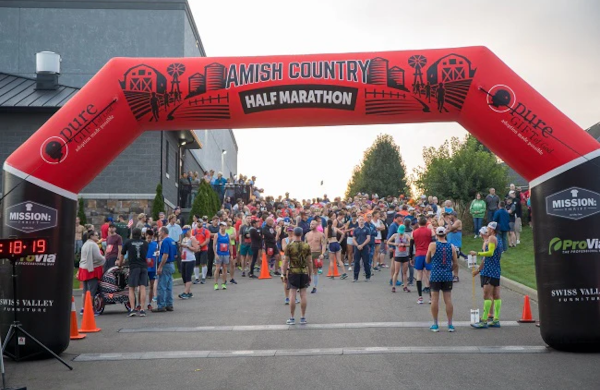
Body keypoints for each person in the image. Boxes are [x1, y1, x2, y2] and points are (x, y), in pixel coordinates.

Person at [470, 222, 503, 328]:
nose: (487, 230)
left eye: (488, 228)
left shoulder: (492, 238)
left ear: (492, 230)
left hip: (490, 270)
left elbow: (490, 253)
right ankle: (496, 319)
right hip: (495, 269)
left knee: (486, 295)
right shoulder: (496, 238)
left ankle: (484, 320)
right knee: (496, 295)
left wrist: (477, 253)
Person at [426, 227, 457, 332]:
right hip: (447, 275)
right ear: (445, 234)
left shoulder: (432, 245)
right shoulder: (451, 246)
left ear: (436, 235)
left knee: (435, 299)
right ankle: (450, 324)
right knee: (448, 299)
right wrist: (449, 269)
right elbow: (456, 263)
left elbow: (428, 260)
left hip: (435, 274)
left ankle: (435, 324)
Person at [282, 227, 313, 325]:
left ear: (294, 234)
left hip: (293, 271)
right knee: (303, 294)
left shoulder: (289, 246)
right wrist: (310, 274)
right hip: (303, 271)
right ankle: (303, 317)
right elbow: (309, 261)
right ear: (302, 234)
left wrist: (283, 274)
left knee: (292, 294)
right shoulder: (306, 246)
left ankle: (292, 318)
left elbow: (285, 261)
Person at [118, 228, 149, 317]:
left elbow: (122, 254)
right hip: (143, 266)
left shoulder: (128, 242)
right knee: (142, 287)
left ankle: (132, 309)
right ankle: (142, 309)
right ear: (140, 234)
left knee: (131, 288)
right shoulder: (145, 243)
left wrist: (120, 264)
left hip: (133, 266)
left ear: (132, 233)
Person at [77, 230, 105, 314]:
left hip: (83, 268)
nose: (98, 237)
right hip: (91, 269)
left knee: (85, 291)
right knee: (92, 291)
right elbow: (98, 257)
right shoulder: (93, 245)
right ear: (91, 236)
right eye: (96, 235)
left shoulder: (85, 244)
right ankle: (90, 309)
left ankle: (83, 308)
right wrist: (104, 259)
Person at [152, 226, 177, 313]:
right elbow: (175, 255)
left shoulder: (165, 241)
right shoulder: (172, 241)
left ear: (163, 232)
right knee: (169, 286)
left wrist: (160, 266)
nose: (159, 234)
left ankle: (161, 305)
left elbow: (165, 255)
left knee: (161, 286)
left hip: (165, 265)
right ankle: (169, 304)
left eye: (159, 232)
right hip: (171, 264)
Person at [412, 216, 433, 304]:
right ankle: (430, 298)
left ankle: (420, 297)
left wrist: (410, 257)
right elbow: (433, 242)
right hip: (428, 254)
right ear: (426, 223)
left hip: (419, 254)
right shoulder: (429, 231)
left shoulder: (414, 232)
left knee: (419, 275)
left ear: (418, 223)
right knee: (428, 275)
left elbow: (411, 245)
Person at [387, 224, 411, 292]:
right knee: (396, 271)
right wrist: (395, 244)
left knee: (405, 272)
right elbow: (388, 241)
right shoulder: (395, 235)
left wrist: (405, 245)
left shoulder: (406, 235)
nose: (400, 233)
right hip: (397, 255)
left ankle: (405, 286)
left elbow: (411, 243)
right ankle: (393, 286)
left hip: (405, 255)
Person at [305, 220, 326, 293]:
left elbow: (323, 244)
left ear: (316, 225)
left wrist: (322, 254)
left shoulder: (321, 234)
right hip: (308, 253)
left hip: (316, 253)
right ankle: (306, 283)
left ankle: (315, 286)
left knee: (315, 271)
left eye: (313, 224)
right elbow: (305, 245)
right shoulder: (307, 234)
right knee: (306, 270)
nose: (311, 225)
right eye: (310, 224)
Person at [178, 226, 199, 299]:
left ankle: (185, 292)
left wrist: (187, 246)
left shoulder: (192, 238)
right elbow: (181, 250)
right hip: (184, 259)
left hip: (190, 259)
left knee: (188, 276)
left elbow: (196, 249)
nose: (185, 233)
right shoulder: (184, 239)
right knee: (183, 276)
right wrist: (180, 246)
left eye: (185, 231)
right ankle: (189, 292)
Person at [352, 216, 371, 282]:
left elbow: (368, 238)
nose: (361, 221)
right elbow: (353, 239)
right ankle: (355, 277)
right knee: (356, 262)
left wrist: (362, 245)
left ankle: (368, 276)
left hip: (365, 247)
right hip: (357, 248)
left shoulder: (367, 229)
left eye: (362, 220)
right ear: (358, 221)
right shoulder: (356, 230)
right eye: (360, 220)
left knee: (366, 262)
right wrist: (357, 245)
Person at [213, 222, 231, 290]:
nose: (222, 227)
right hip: (219, 253)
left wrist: (231, 254)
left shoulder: (227, 235)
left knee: (225, 268)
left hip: (226, 253)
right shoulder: (217, 235)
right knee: (217, 268)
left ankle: (223, 283)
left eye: (223, 226)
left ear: (226, 227)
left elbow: (230, 245)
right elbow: (214, 245)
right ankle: (216, 283)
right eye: (221, 226)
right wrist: (215, 254)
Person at [145, 229, 159, 311]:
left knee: (152, 285)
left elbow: (157, 254)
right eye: (148, 237)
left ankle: (149, 303)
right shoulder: (143, 244)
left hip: (152, 267)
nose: (149, 239)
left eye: (150, 238)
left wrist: (157, 253)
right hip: (144, 267)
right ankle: (139, 304)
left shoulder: (155, 244)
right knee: (141, 286)